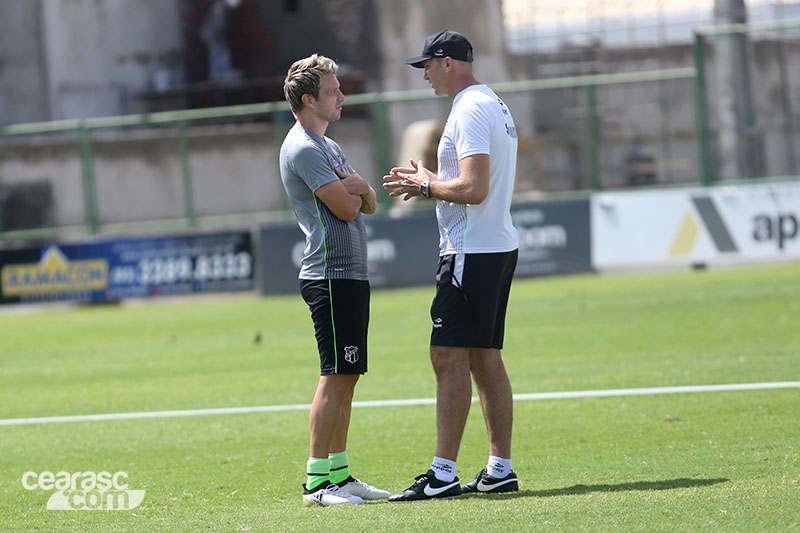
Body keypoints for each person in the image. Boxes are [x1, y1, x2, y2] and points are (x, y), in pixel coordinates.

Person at [383, 30, 520, 502]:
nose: (423, 74)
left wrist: (425, 186)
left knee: (446, 355)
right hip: (492, 245)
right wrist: (430, 180)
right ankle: (499, 468)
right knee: (484, 357)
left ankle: (443, 474)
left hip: (472, 250)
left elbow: (473, 187)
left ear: (447, 62)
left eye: (426, 64)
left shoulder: (469, 109)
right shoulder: (490, 103)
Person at [280, 53, 389, 507]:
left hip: (349, 275)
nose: (342, 95)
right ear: (309, 100)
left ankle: (340, 476)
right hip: (329, 275)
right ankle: (316, 484)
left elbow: (370, 203)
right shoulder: (303, 147)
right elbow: (349, 207)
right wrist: (358, 187)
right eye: (332, 91)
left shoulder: (329, 144)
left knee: (349, 375)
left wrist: (359, 187)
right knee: (334, 375)